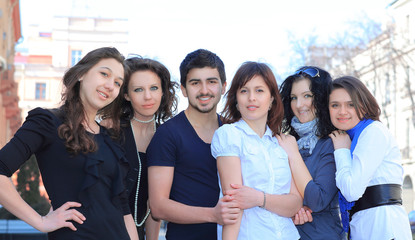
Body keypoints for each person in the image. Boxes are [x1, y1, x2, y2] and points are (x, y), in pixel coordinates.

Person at [0, 47, 138, 240]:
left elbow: (123, 209)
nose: (110, 85)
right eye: (104, 74)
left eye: (117, 83)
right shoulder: (47, 122)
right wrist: (41, 222)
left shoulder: (112, 139)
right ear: (81, 74)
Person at [147, 49, 239, 240]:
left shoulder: (235, 131)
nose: (204, 90)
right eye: (195, 83)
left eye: (211, 82)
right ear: (183, 89)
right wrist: (213, 214)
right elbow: (158, 206)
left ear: (223, 86)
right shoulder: (168, 134)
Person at [211, 61, 302, 239]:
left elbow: (295, 202)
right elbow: (233, 206)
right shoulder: (229, 135)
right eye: (244, 91)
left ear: (271, 100)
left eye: (259, 90)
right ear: (236, 100)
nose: (251, 97)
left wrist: (259, 198)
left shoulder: (280, 143)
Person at [328, 76, 412, 240]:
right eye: (335, 105)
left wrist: (341, 151)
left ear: (363, 105)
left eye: (351, 104)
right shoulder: (349, 137)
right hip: (366, 226)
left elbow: (351, 191)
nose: (342, 111)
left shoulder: (372, 131)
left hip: (383, 227)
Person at [279, 66, 345, 239]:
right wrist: (292, 208)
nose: (299, 105)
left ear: (322, 99)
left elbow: (318, 199)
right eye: (294, 98)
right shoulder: (288, 142)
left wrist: (293, 155)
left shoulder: (333, 142)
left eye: (307, 96)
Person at [118, 56, 178, 239]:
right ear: (126, 95)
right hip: (104, 230)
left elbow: (156, 205)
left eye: (154, 88)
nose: (148, 96)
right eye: (138, 89)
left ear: (162, 92)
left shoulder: (167, 136)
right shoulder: (111, 132)